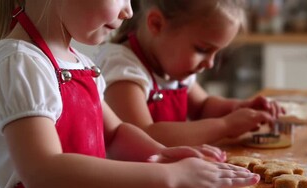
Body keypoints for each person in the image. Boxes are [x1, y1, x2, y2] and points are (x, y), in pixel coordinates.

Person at [0, 0, 260, 188]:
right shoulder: (20, 63)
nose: (129, 11)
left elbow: (114, 134)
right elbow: (44, 176)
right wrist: (169, 177)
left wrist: (161, 154)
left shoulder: (81, 64)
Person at [95, 0, 284, 147]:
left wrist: (240, 108)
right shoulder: (122, 67)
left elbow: (203, 106)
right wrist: (225, 126)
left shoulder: (173, 68)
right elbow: (145, 136)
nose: (210, 63)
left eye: (216, 53)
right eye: (202, 49)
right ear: (157, 24)